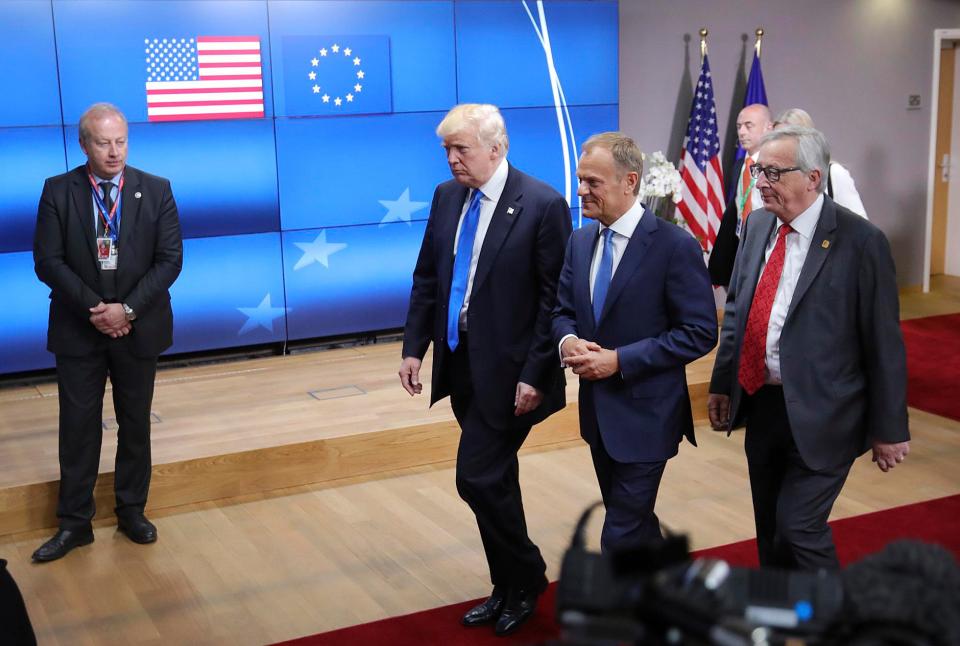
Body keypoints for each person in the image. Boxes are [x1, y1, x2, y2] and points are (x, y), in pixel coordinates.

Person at [398, 104, 571, 636]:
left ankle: (527, 574)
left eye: (461, 149)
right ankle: (508, 587)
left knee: (475, 476)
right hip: (462, 362)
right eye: (446, 150)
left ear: (496, 148)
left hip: (515, 372)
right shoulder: (448, 197)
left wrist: (536, 373)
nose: (452, 160)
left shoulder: (543, 204)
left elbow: (553, 299)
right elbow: (429, 276)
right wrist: (414, 347)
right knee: (495, 479)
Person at [707, 126, 910, 570]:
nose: (760, 182)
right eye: (759, 170)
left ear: (813, 178)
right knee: (770, 526)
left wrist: (890, 428)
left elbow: (884, 342)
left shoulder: (862, 242)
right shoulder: (758, 223)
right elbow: (739, 311)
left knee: (799, 524)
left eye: (774, 173)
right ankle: (781, 615)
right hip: (763, 402)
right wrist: (723, 384)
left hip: (826, 411)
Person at [552, 132, 717, 552]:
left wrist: (620, 360)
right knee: (635, 522)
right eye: (580, 179)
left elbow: (700, 332)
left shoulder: (674, 246)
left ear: (630, 181)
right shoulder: (580, 240)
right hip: (599, 419)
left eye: (593, 182)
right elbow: (561, 312)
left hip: (649, 417)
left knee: (619, 534)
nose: (581, 190)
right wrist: (567, 341)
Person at [32, 103, 183, 562]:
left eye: (120, 141)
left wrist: (128, 310)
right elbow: (47, 261)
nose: (114, 151)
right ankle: (75, 524)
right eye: (103, 142)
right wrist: (97, 308)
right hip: (80, 329)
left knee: (134, 424)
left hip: (139, 329)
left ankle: (132, 510)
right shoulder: (58, 191)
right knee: (77, 429)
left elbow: (170, 260)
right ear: (84, 144)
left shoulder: (156, 190)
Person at [709, 104, 774, 287]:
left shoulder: (774, 166)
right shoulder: (739, 166)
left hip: (765, 248)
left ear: (768, 127)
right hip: (739, 248)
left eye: (749, 125)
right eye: (739, 126)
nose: (742, 132)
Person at [774, 108, 868, 218]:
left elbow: (861, 225)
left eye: (785, 138)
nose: (777, 145)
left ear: (806, 139)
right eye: (775, 139)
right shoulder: (771, 178)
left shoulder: (834, 174)